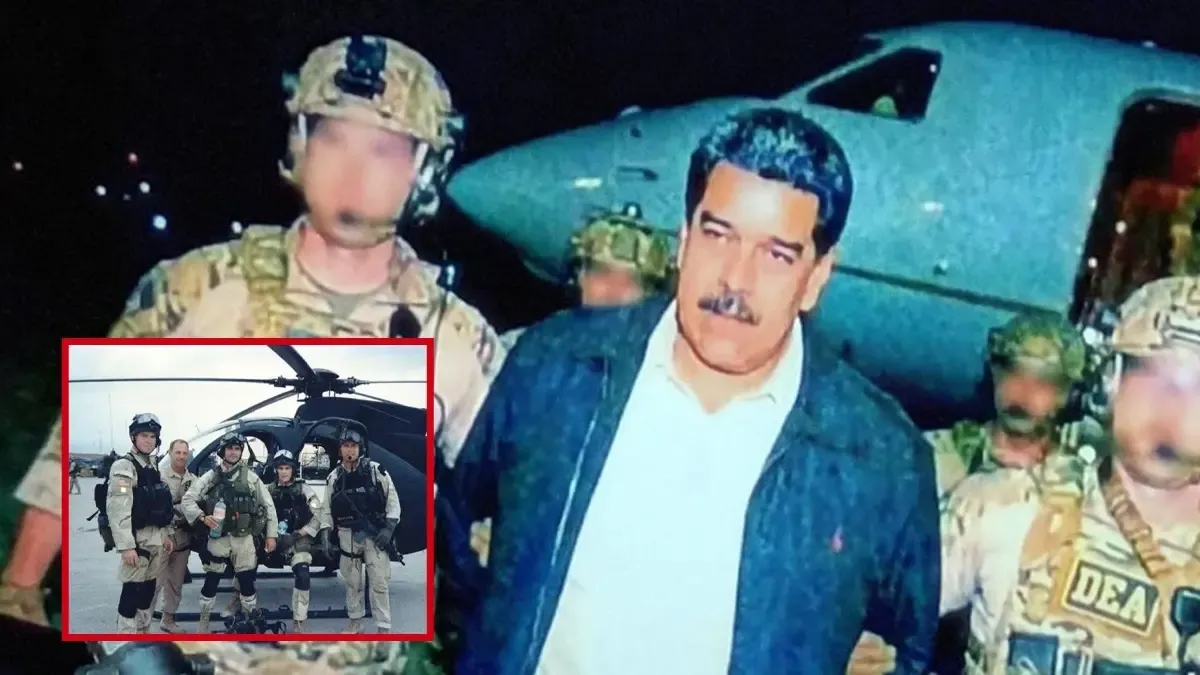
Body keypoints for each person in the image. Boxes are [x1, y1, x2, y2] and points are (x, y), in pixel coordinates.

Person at [0, 33, 505, 635]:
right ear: (300, 144)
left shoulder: (458, 337)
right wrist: (20, 588)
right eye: (332, 137)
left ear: (424, 171)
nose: (352, 168)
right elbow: (79, 450)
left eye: (383, 149)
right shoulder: (198, 286)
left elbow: (497, 515)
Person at [443, 107, 940, 673]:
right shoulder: (557, 366)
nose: (735, 279)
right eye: (718, 235)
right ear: (683, 240)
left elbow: (906, 652)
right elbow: (456, 541)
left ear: (817, 277)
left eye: (776, 255)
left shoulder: (881, 460)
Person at [862, 275, 1200, 673]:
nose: (1176, 406)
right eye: (1156, 376)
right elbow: (862, 627)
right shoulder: (1003, 507)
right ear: (1110, 382)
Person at [927, 311, 1088, 496]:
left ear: (1068, 394)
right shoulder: (936, 456)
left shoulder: (1078, 481)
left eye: (1043, 381)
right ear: (995, 373)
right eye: (1012, 371)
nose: (1023, 392)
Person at [499, 203, 677, 350]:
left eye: (632, 281)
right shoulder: (530, 347)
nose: (613, 290)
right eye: (601, 272)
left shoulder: (662, 365)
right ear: (579, 276)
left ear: (652, 295)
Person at [181, 431, 278, 633]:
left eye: (237, 449)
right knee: (211, 583)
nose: (233, 452)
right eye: (229, 448)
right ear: (222, 451)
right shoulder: (211, 477)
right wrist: (202, 517)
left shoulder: (251, 477)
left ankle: (250, 623)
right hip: (219, 538)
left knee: (247, 583)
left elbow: (268, 506)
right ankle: (203, 624)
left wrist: (271, 535)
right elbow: (188, 500)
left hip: (244, 539)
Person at [317, 425, 401, 634]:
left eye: (353, 446)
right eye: (346, 446)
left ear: (360, 448)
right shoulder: (334, 477)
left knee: (379, 582)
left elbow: (393, 502)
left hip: (375, 536)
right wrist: (325, 535)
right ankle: (355, 622)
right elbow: (326, 509)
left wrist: (388, 529)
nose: (350, 450)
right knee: (352, 582)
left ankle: (383, 626)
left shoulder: (376, 471)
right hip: (347, 535)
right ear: (340, 449)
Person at [106, 413, 177, 633]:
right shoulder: (124, 467)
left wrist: (166, 534)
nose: (148, 440)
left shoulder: (152, 466)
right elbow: (119, 508)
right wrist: (126, 546)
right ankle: (126, 636)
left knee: (147, 591)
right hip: (137, 541)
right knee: (131, 592)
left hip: (155, 540)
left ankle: (142, 631)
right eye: (144, 435)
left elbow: (161, 505)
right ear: (133, 437)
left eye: (152, 436)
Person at [265, 448, 323, 634]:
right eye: (280, 468)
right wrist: (270, 535)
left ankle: (299, 620)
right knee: (244, 565)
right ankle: (242, 609)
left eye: (287, 468)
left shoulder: (305, 490)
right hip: (272, 542)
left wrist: (298, 534)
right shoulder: (267, 491)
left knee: (303, 576)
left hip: (298, 543)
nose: (283, 472)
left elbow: (318, 517)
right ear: (276, 470)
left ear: (293, 470)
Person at [150, 439, 197, 633]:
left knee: (175, 583)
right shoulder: (158, 477)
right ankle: (142, 624)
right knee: (153, 582)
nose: (181, 456)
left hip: (183, 537)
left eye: (185, 453)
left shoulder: (194, 480)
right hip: (161, 537)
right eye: (177, 452)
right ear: (170, 453)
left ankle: (167, 619)